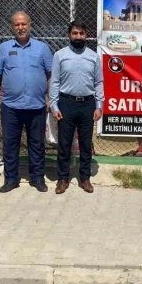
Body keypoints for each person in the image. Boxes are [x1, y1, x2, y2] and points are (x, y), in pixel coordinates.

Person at [0, 11, 53, 193]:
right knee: (11, 144)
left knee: (37, 144)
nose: (20, 27)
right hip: (11, 106)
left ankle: (37, 178)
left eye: (23, 24)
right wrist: (12, 88)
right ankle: (11, 179)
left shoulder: (42, 48)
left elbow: (50, 75)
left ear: (30, 25)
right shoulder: (4, 48)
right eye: (17, 24)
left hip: (36, 105)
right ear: (12, 27)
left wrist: (49, 97)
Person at [49, 20, 104, 194]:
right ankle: (63, 179)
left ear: (86, 35)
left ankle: (85, 178)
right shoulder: (60, 55)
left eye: (81, 33)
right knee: (64, 144)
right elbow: (55, 82)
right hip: (66, 103)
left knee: (86, 144)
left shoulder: (93, 56)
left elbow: (98, 82)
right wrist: (54, 106)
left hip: (87, 104)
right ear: (69, 35)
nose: (78, 36)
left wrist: (99, 105)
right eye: (75, 33)